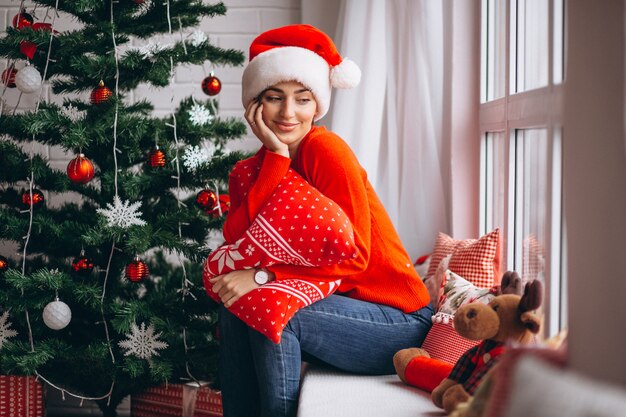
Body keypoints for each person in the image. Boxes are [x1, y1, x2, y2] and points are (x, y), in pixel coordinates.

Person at [208, 24, 434, 417]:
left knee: (270, 303)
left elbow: (356, 256)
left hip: (397, 320)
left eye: (302, 99)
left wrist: (266, 277)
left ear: (318, 105)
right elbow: (239, 241)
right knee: (236, 304)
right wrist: (277, 158)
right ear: (253, 105)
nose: (288, 113)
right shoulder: (252, 169)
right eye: (274, 98)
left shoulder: (326, 150)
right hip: (341, 311)